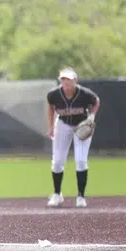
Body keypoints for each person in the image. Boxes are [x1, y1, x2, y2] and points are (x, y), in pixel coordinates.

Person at [46, 67, 100, 208]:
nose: (66, 82)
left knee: (81, 161)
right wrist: (51, 126)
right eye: (63, 79)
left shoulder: (84, 93)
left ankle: (81, 196)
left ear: (75, 80)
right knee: (57, 162)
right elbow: (51, 107)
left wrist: (92, 116)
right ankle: (57, 194)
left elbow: (96, 101)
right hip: (63, 124)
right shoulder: (54, 94)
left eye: (69, 79)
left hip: (82, 125)